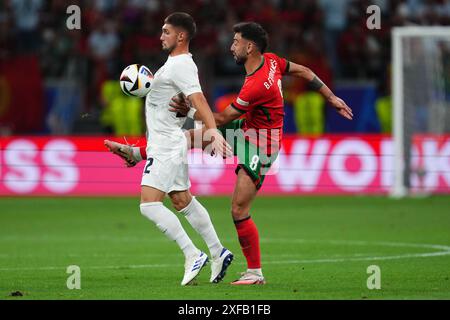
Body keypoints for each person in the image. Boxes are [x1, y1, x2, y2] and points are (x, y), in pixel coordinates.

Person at [110, 22, 353, 285]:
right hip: (248, 129)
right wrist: (331, 97)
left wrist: (188, 111)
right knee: (184, 139)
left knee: (238, 209)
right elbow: (304, 71)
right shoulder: (271, 61)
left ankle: (255, 273)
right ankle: (137, 153)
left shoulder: (256, 85)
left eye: (236, 41)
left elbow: (223, 118)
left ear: (250, 47)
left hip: (262, 144)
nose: (231, 46)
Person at [105, 12, 234, 286]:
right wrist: (136, 153)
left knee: (149, 206)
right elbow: (170, 113)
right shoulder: (170, 66)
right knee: (181, 201)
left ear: (181, 36)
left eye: (166, 31)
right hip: (165, 145)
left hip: (167, 147)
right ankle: (217, 252)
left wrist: (210, 130)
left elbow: (198, 99)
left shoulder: (181, 66)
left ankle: (192, 254)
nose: (161, 35)